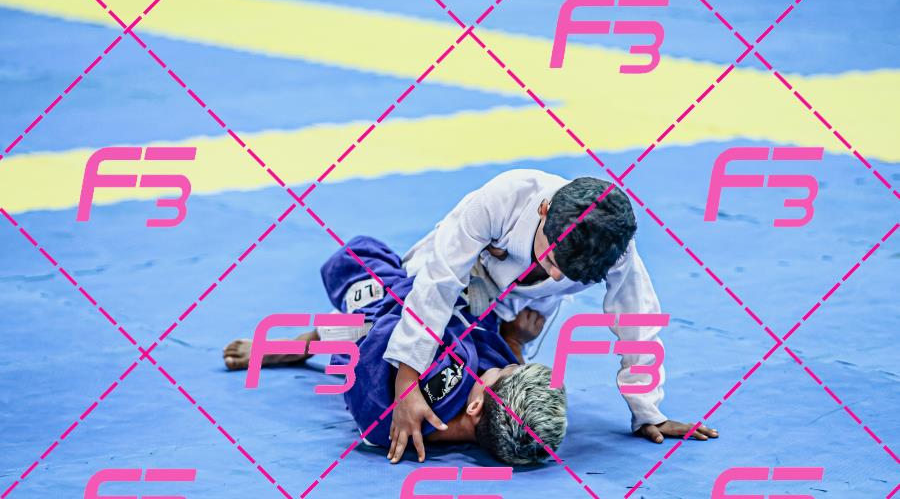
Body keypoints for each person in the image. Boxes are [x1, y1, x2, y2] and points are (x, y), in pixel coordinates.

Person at [381, 169, 717, 460]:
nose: (557, 276)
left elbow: (636, 319)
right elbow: (439, 283)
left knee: (499, 379)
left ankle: (507, 343)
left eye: (570, 273)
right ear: (543, 210)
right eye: (555, 261)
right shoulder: (503, 199)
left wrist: (648, 412)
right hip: (448, 276)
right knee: (392, 342)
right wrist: (406, 383)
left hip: (517, 305)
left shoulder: (613, 247)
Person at [223, 236, 568, 465]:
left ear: (475, 406)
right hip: (439, 324)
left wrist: (427, 295)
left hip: (377, 324)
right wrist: (515, 341)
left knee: (357, 257)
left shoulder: (439, 388)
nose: (506, 364)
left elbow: (385, 331)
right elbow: (501, 379)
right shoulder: (483, 422)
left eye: (505, 371)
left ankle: (301, 344)